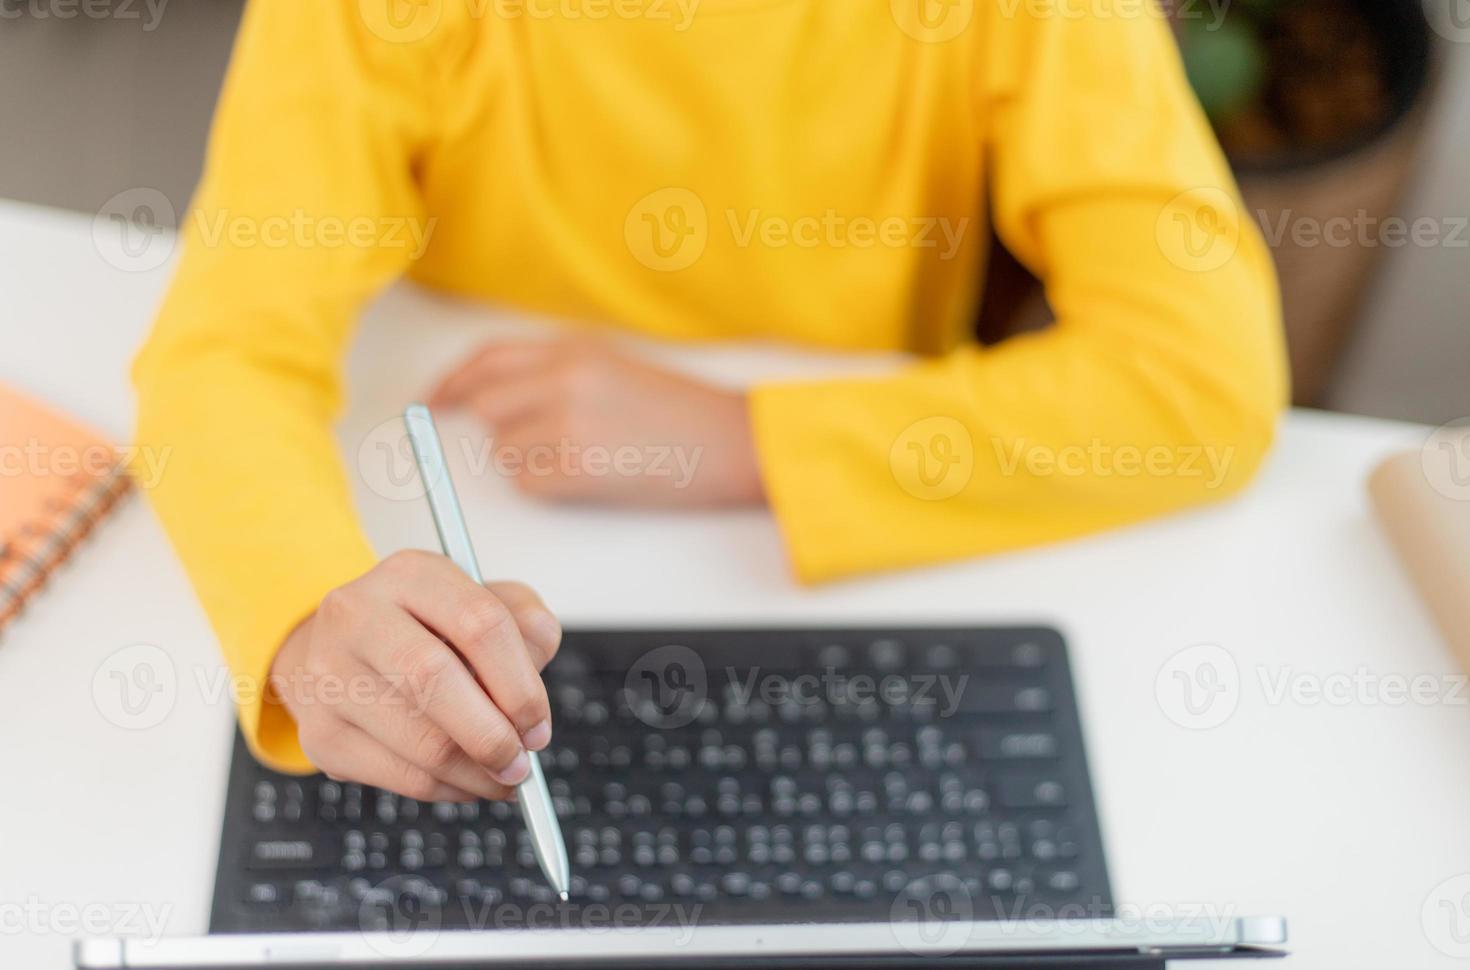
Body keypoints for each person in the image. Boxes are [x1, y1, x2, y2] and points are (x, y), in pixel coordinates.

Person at [133, 0, 1286, 801]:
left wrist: (741, 438)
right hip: (488, 478)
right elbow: (221, 352)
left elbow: (1202, 376)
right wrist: (302, 620)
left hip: (832, 586)